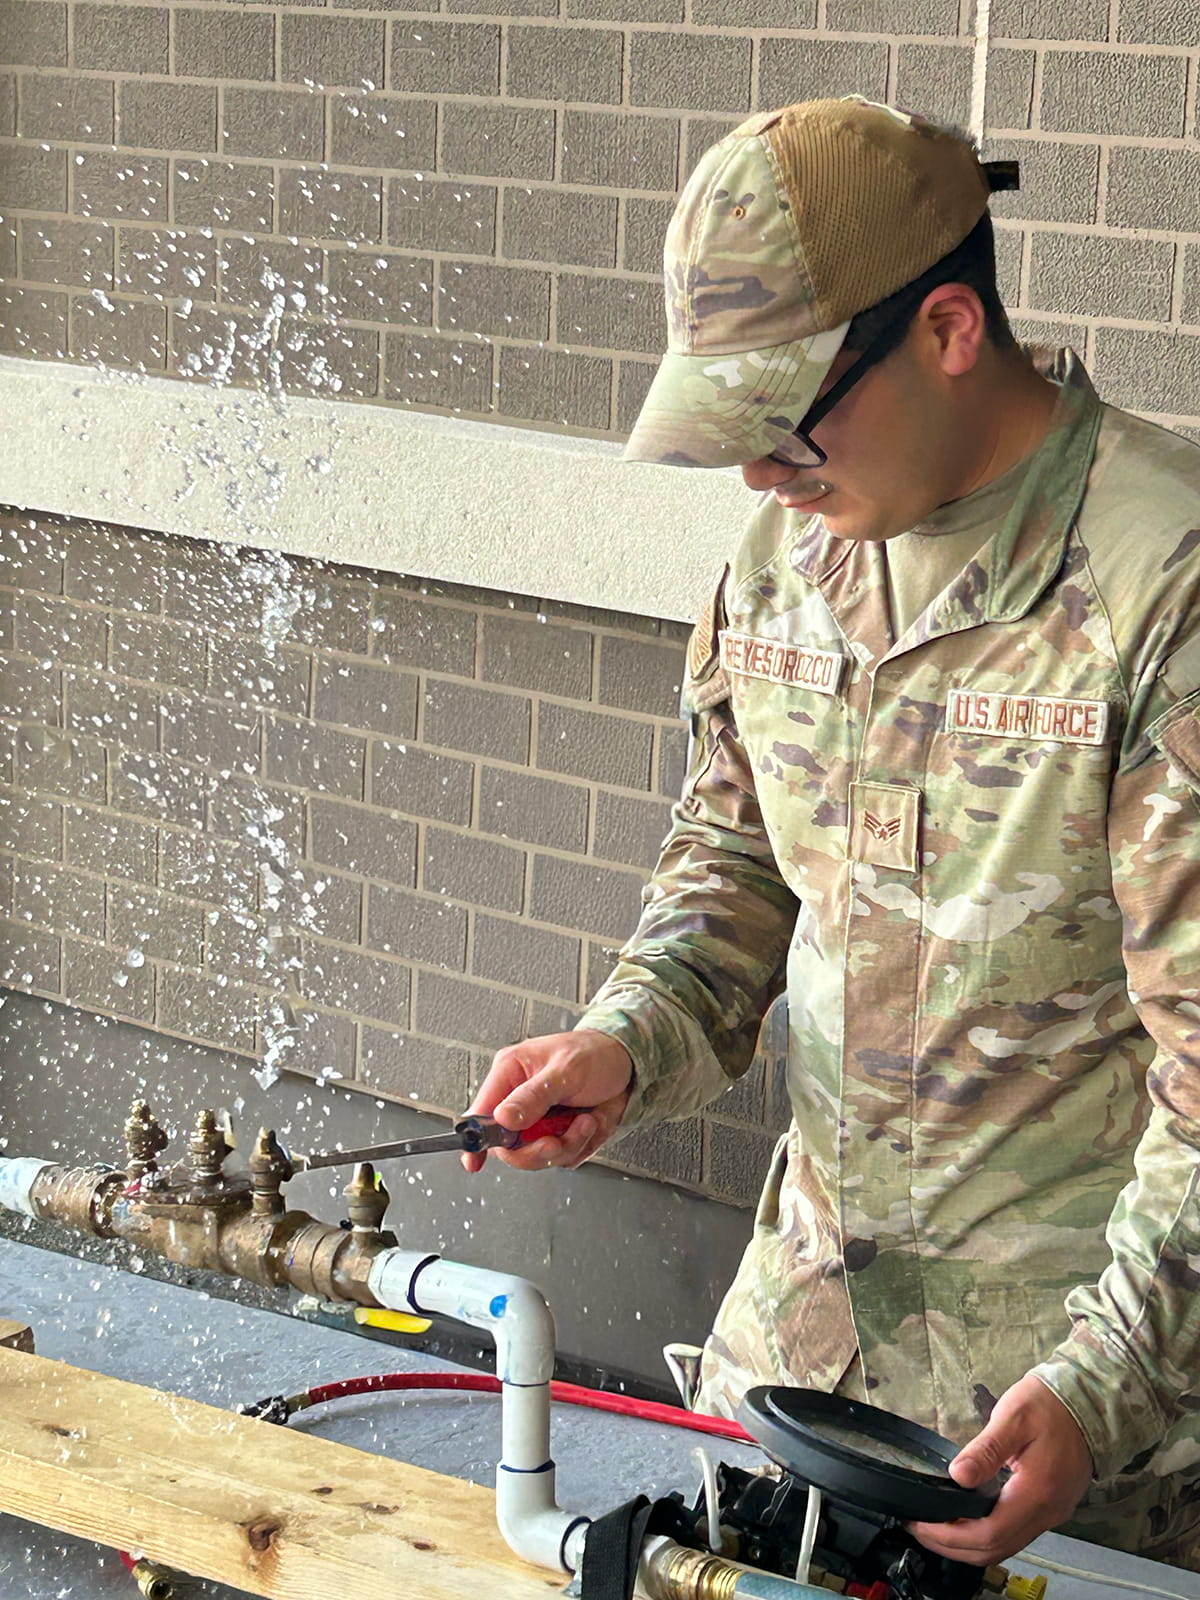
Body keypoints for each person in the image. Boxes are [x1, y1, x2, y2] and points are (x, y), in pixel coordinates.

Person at [466, 97, 1200, 1568]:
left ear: (946, 330)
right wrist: (629, 1036)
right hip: (798, 1384)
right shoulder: (788, 557)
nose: (756, 476)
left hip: (1071, 1451)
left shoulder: (1157, 584)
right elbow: (734, 866)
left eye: (787, 418)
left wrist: (1101, 1380)